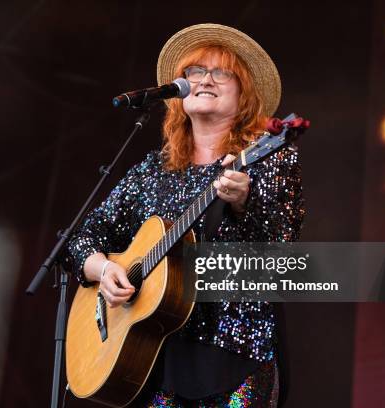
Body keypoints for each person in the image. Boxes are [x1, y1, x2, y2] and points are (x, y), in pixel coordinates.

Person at [66, 23, 304, 407]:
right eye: (195, 71)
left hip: (235, 356)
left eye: (221, 72)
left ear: (244, 92)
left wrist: (246, 202)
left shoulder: (268, 157)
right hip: (156, 356)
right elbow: (82, 238)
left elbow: (283, 251)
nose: (206, 80)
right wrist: (104, 270)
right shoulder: (152, 170)